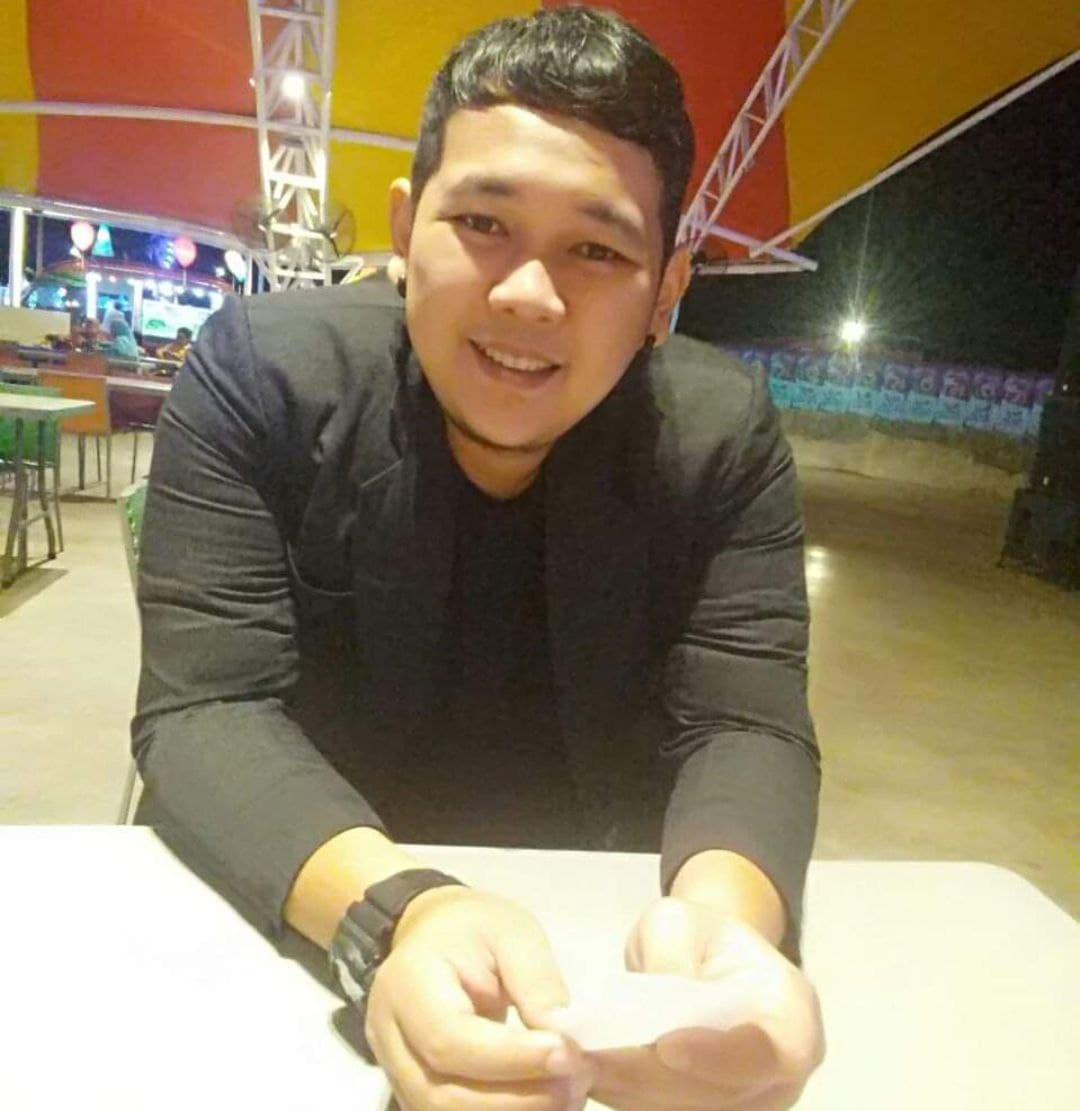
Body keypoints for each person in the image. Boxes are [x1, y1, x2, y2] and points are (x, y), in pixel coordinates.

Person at [132, 8, 823, 1109]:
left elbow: (746, 721)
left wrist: (725, 931)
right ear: (406, 229)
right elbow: (207, 708)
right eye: (483, 223)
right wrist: (402, 910)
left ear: (665, 291)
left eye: (598, 249)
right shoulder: (265, 377)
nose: (527, 295)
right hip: (289, 905)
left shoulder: (717, 434)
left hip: (587, 956)